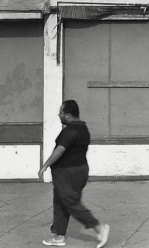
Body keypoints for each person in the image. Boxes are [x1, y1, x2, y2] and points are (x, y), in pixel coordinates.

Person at [38, 99, 110, 247]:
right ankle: (59, 236)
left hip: (68, 173)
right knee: (60, 201)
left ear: (68, 115)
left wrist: (45, 166)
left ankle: (99, 228)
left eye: (61, 112)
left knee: (70, 202)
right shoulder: (83, 128)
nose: (59, 115)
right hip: (79, 170)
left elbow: (60, 150)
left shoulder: (70, 131)